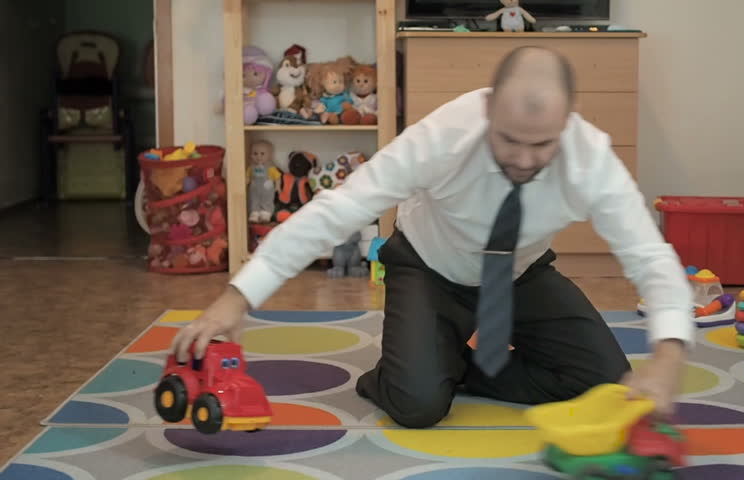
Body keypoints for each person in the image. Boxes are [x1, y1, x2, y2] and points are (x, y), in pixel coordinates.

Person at [170, 46, 694, 428]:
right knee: (417, 405)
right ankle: (413, 367)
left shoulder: (590, 158)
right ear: (489, 111)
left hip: (519, 274)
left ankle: (455, 364)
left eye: (543, 145)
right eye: (510, 140)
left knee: (610, 385)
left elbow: (648, 253)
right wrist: (235, 298)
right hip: (429, 267)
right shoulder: (442, 135)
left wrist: (669, 354)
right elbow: (339, 208)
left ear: (567, 123)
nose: (525, 160)